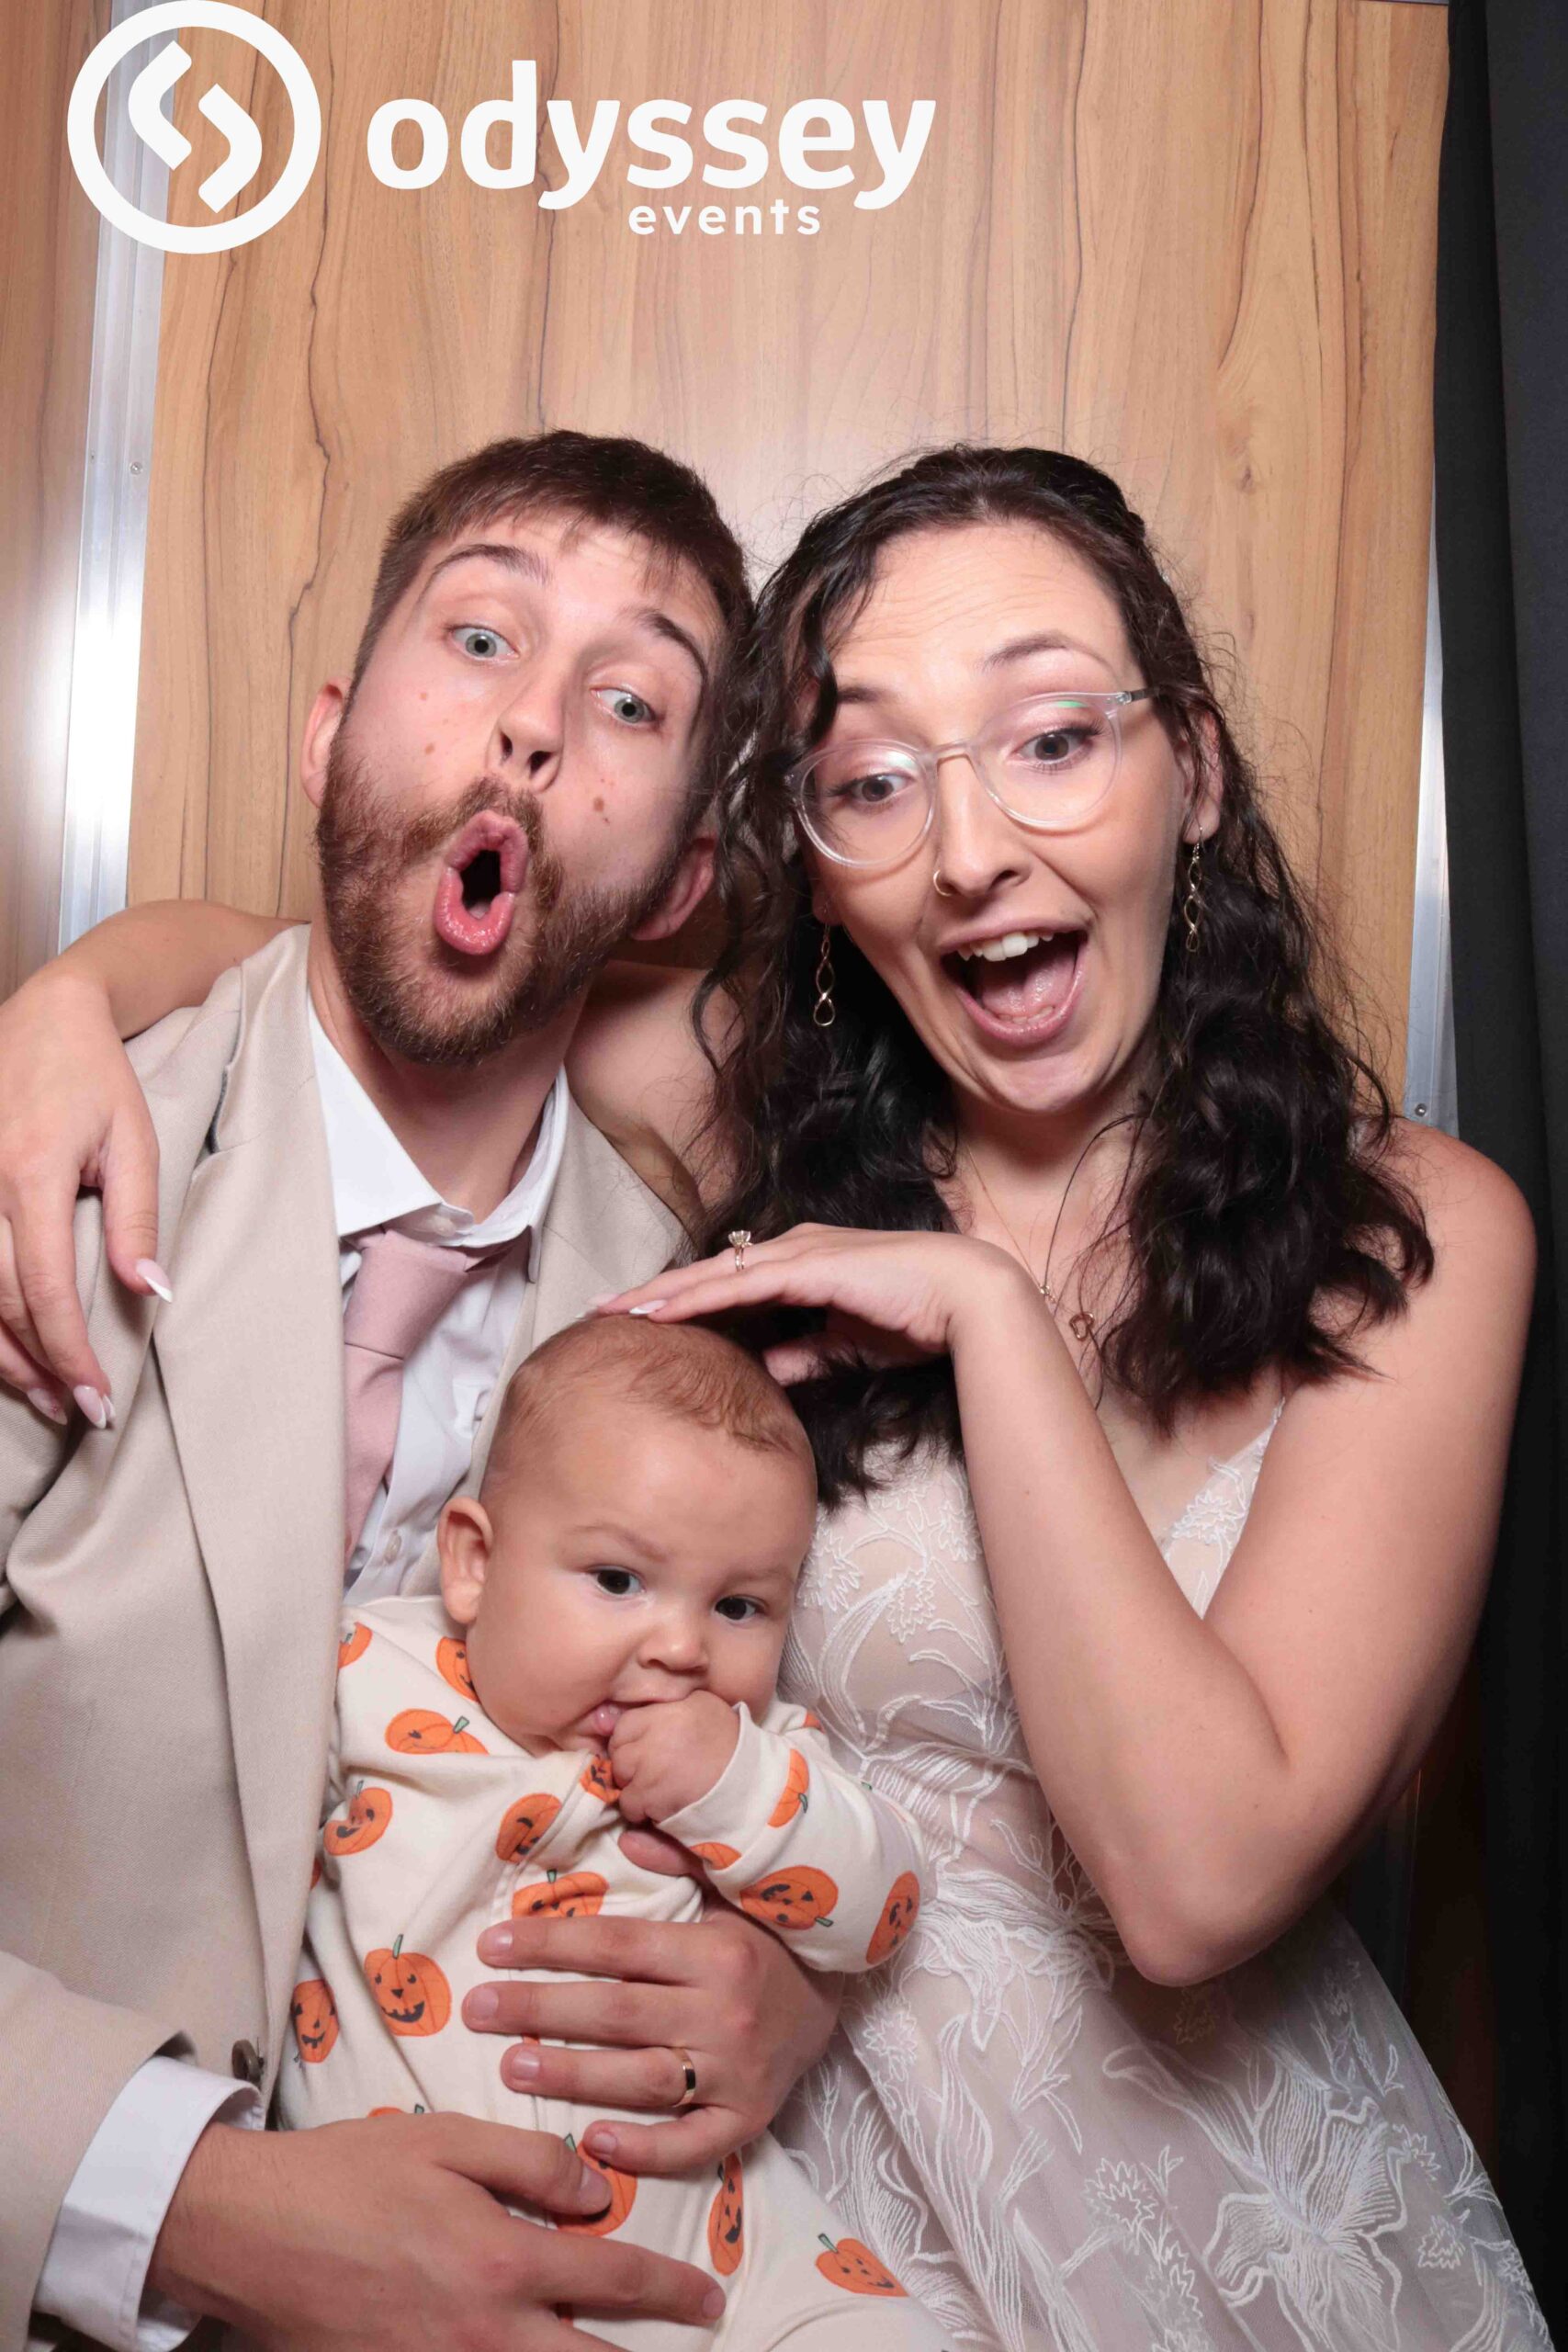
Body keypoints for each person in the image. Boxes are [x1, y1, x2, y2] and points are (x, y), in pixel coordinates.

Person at [0, 446, 1546, 2348]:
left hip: (1216, 2214)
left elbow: (1195, 1873)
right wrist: (62, 1004)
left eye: (1051, 736)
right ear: (798, 865)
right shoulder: (752, 1123)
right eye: (876, 779)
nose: (969, 846)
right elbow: (373, 968)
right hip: (801, 2202)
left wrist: (991, 1322)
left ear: (1193, 767)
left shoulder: (1416, 1229)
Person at [0, 431, 846, 2352]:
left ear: (678, 880)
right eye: (478, 635)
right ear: (324, 738)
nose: (533, 728)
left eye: (625, 696)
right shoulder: (41, 1144)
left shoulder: (692, 1334)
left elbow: (764, 1795)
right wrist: (179, 2199)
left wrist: (798, 1978)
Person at [289, 1311, 942, 2349]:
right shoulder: (363, 1675)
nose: (680, 1646)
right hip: (405, 2255)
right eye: (617, 1581)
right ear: (472, 1563)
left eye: (738, 1606)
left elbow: (885, 1905)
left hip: (711, 2259)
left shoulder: (764, 1752)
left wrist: (733, 1788)